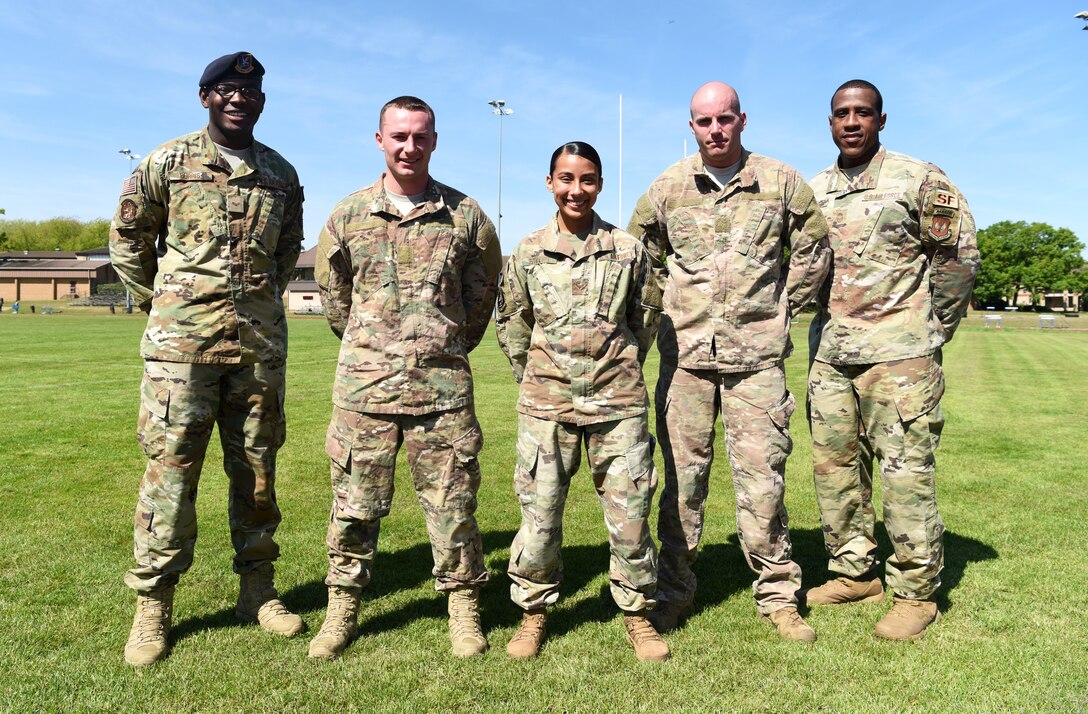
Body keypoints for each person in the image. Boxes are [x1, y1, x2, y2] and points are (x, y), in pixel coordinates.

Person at [109, 51, 305, 666]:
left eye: (249, 91)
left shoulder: (280, 172)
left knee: (257, 475)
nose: (238, 99)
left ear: (262, 101)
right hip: (181, 353)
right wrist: (164, 304)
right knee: (171, 476)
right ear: (205, 98)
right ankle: (153, 605)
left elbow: (286, 251)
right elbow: (129, 242)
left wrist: (257, 307)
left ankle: (258, 592)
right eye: (225, 89)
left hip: (257, 350)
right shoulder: (166, 162)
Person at [627, 81, 831, 641]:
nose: (715, 130)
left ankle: (778, 595)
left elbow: (814, 247)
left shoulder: (781, 181)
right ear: (690, 126)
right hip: (687, 360)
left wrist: (784, 306)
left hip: (757, 361)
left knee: (763, 479)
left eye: (724, 119)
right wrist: (667, 308)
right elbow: (638, 261)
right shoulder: (668, 187)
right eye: (703, 121)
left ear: (742, 120)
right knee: (682, 483)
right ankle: (672, 592)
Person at [311, 96, 502, 660]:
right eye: (398, 136)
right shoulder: (348, 215)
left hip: (442, 393)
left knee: (453, 508)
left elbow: (480, 296)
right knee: (353, 507)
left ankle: (463, 608)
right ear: (379, 140)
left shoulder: (465, 216)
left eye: (420, 137)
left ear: (435, 141)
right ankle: (342, 607)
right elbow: (334, 300)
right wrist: (376, 347)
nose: (409, 147)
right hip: (364, 392)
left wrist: (440, 346)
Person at [803, 80, 979, 640]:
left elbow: (957, 260)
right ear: (829, 122)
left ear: (881, 120)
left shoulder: (919, 179)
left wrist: (930, 331)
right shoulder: (815, 190)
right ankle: (854, 572)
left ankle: (915, 592)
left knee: (906, 478)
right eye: (841, 114)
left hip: (899, 358)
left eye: (862, 113)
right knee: (836, 476)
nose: (851, 122)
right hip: (832, 356)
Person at [496, 142, 668, 662]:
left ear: (600, 184)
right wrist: (538, 375)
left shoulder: (627, 250)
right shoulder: (527, 251)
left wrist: (617, 366)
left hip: (618, 403)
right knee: (541, 515)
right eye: (566, 178)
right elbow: (512, 324)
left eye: (587, 179)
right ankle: (534, 612)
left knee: (631, 513)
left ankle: (638, 614)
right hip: (546, 405)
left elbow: (646, 319)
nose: (577, 189)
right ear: (550, 182)